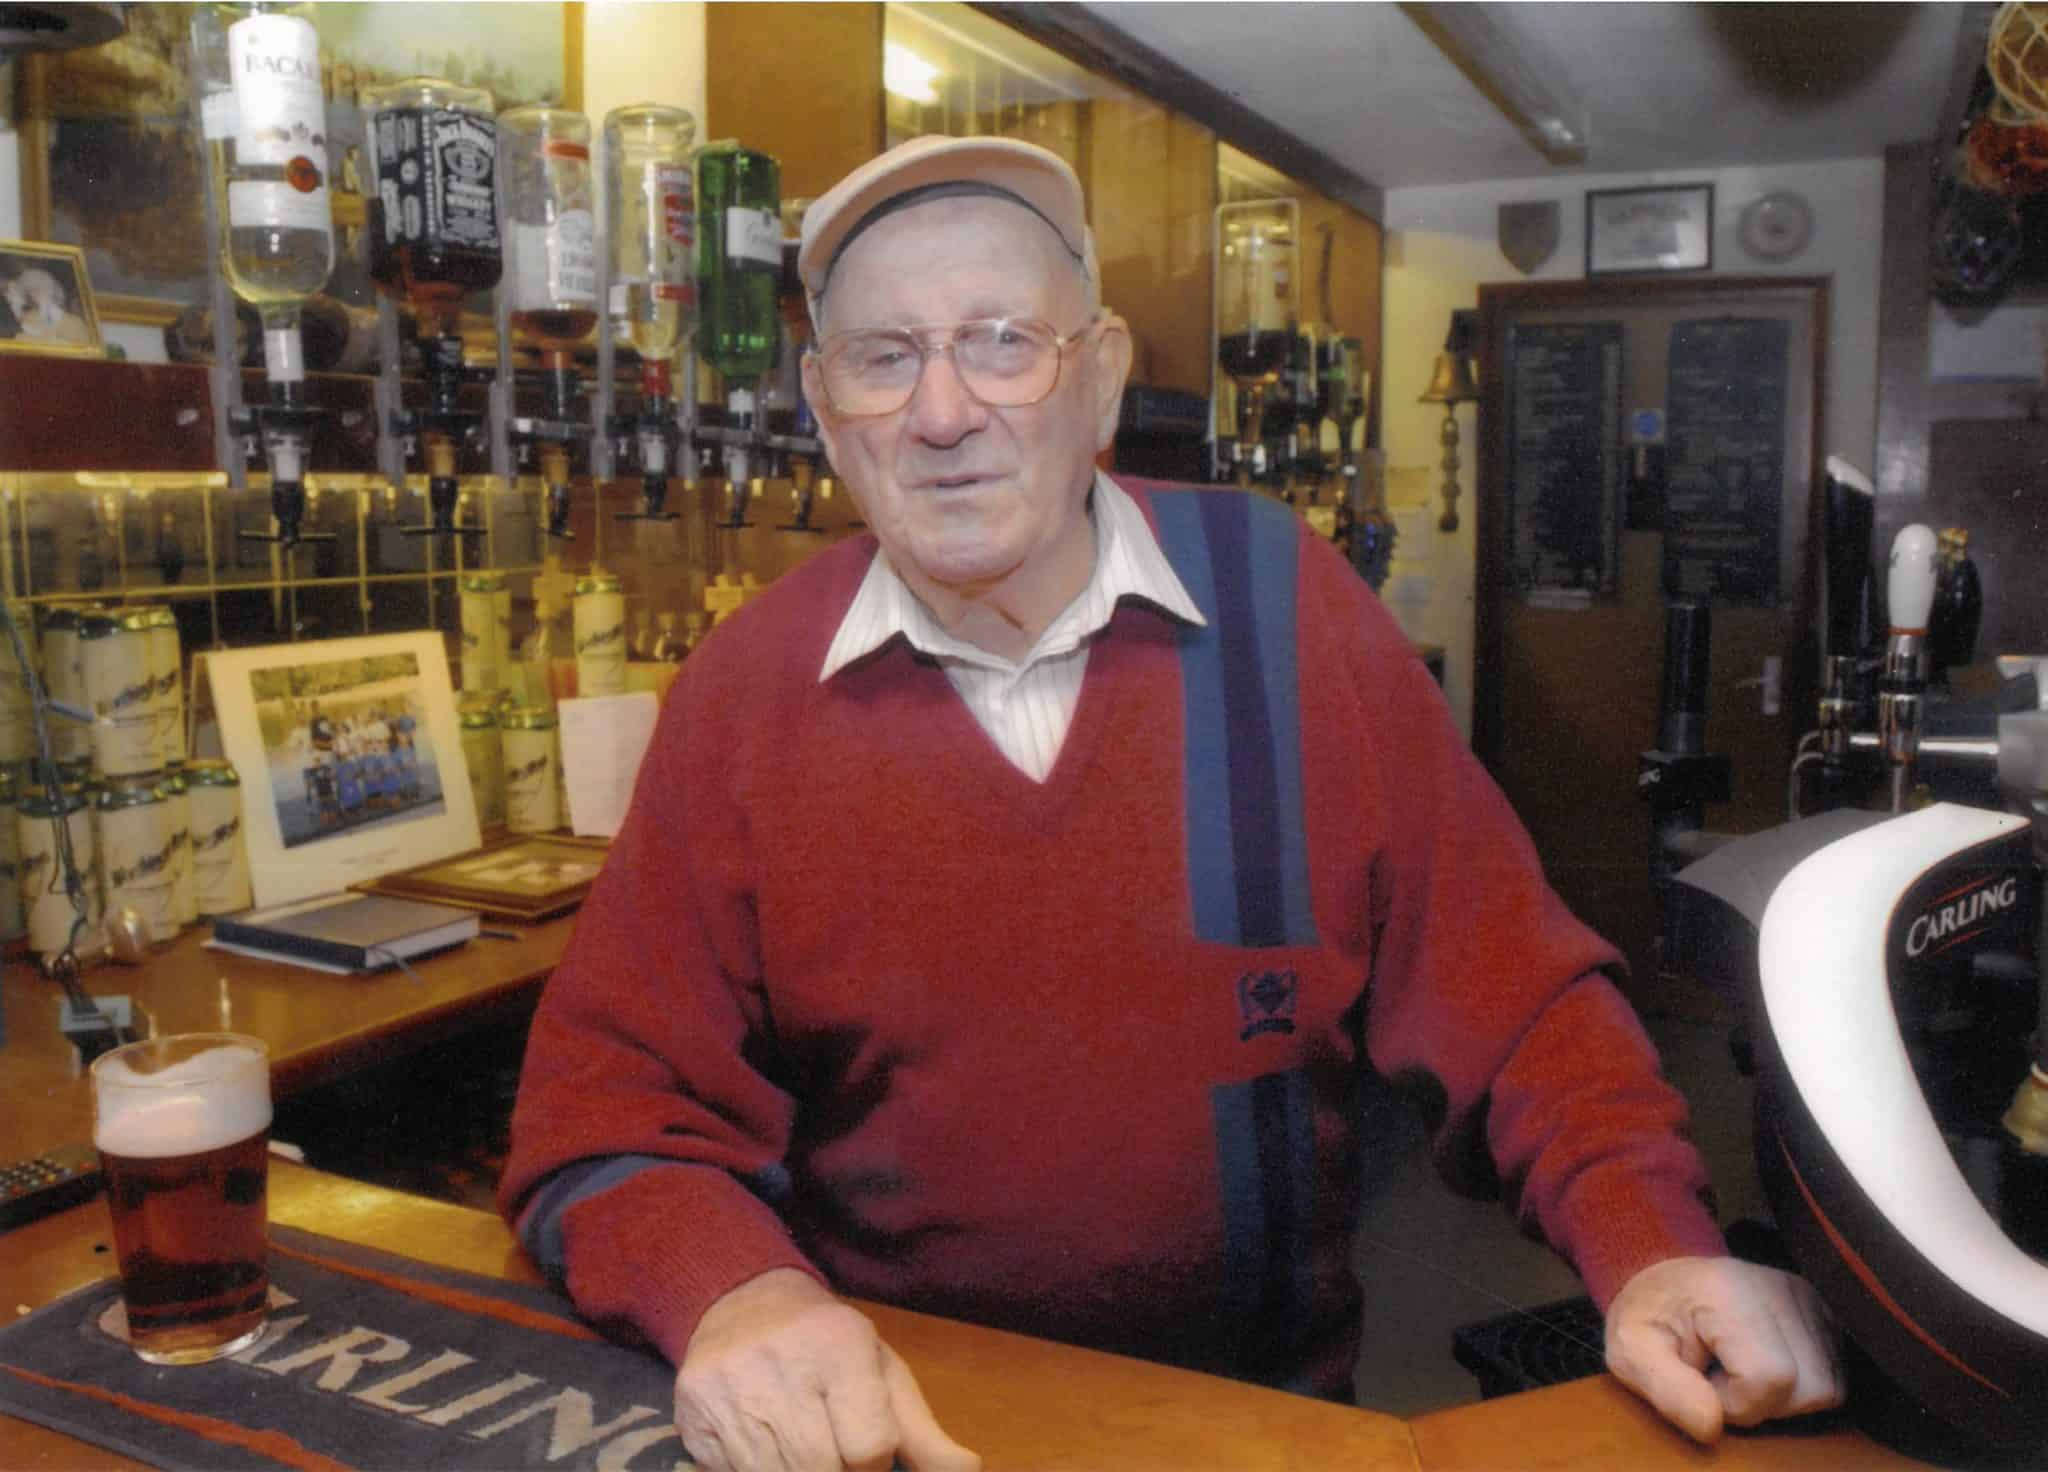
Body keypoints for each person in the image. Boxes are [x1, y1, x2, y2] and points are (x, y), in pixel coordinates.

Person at [500, 135, 1843, 1472]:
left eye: (1002, 341)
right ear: (820, 401)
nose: (944, 408)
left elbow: (1519, 1005)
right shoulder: (746, 689)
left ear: (1099, 376)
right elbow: (606, 1116)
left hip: (1259, 1424)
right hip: (892, 1426)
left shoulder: (1288, 606)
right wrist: (737, 1294)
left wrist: (1654, 1244)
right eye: (884, 355)